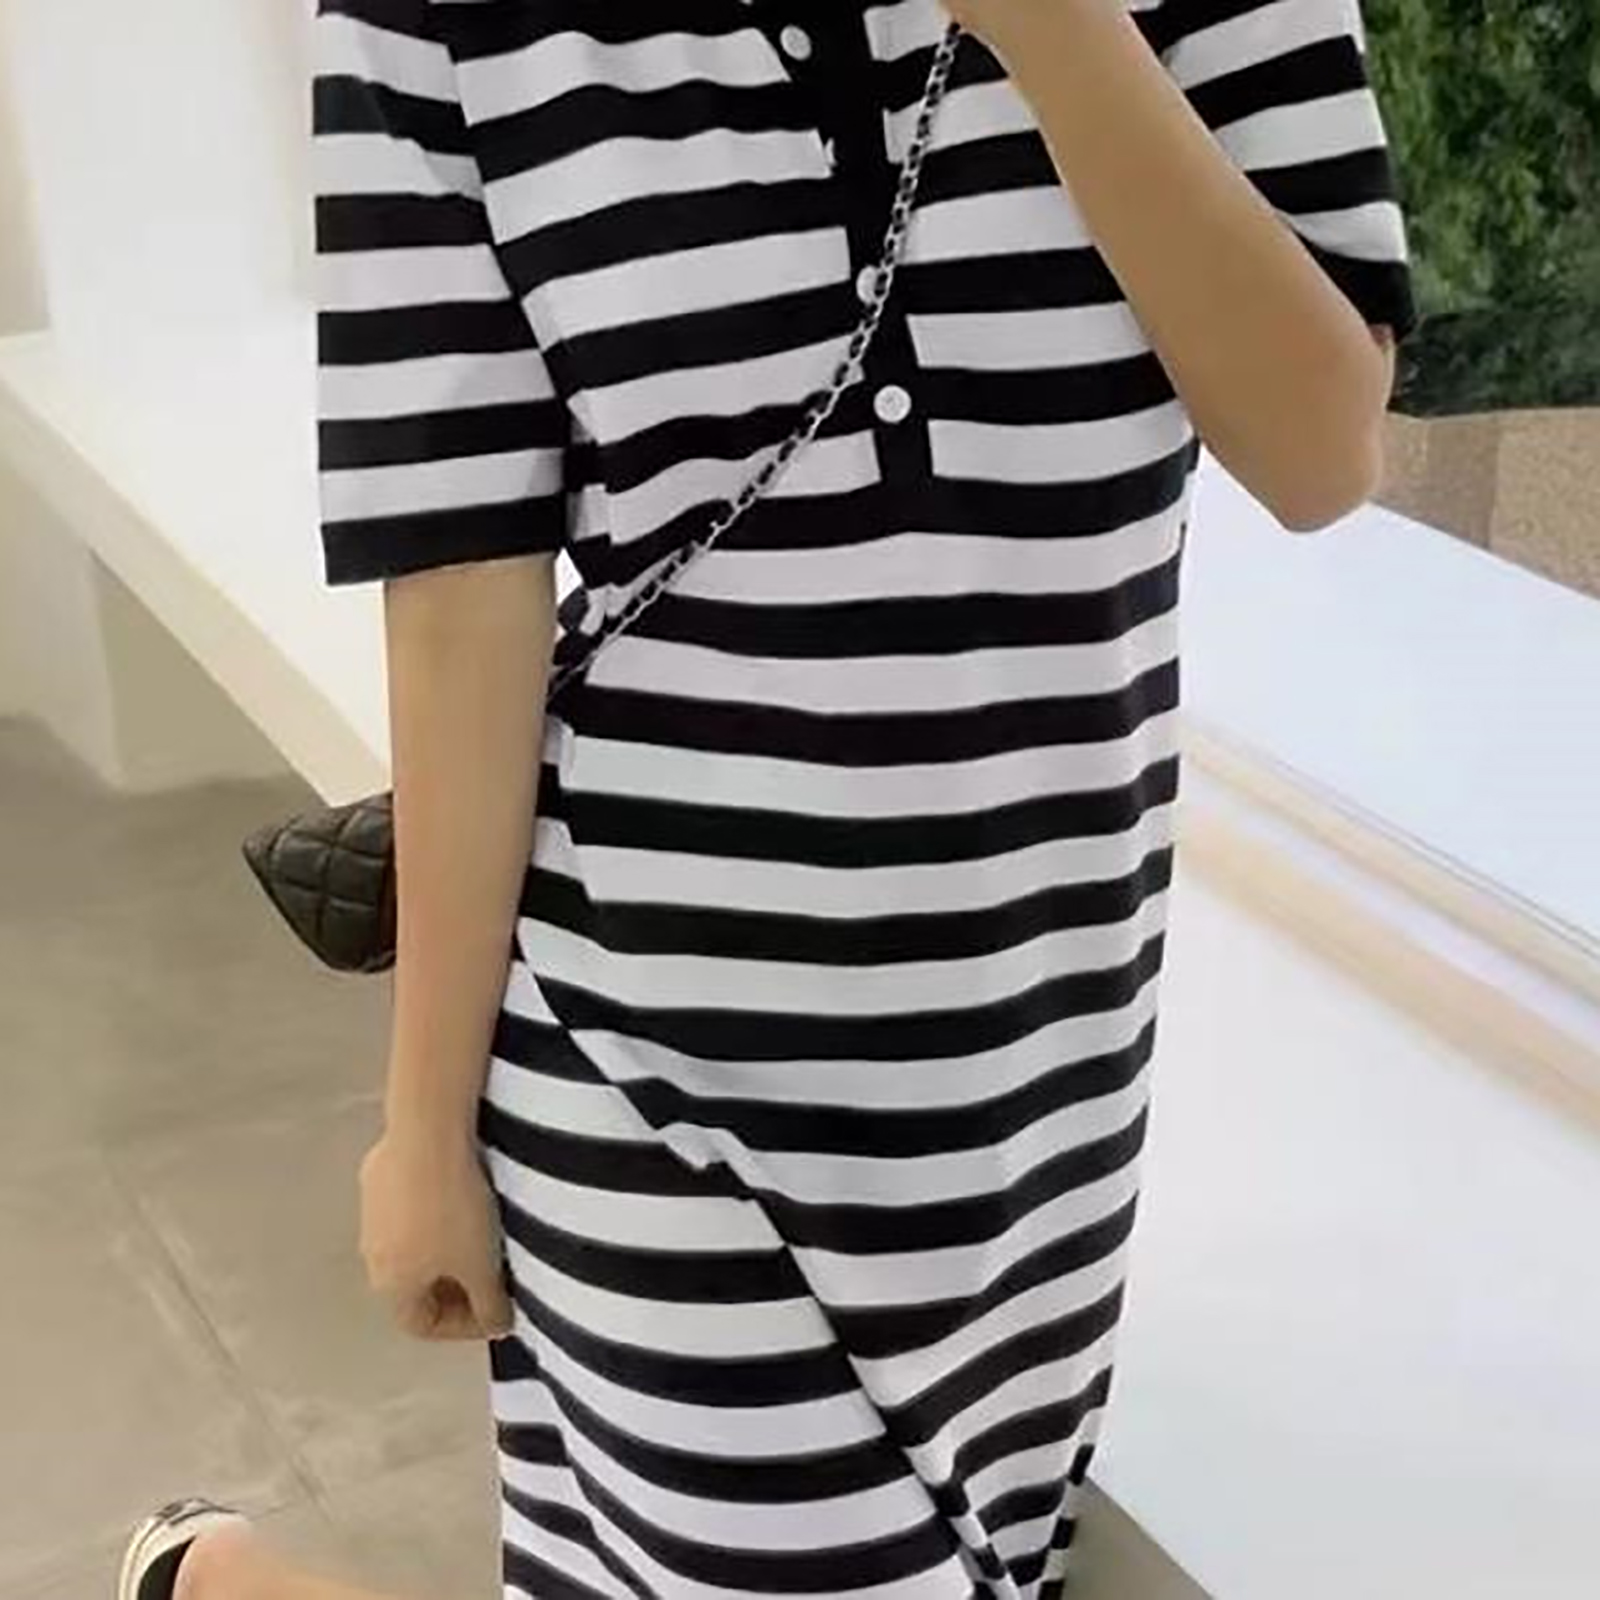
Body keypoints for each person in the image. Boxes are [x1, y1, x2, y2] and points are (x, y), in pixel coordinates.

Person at [124, 0, 1414, 1597]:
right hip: (642, 1026)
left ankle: (217, 1581)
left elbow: (1321, 447)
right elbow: (462, 583)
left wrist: (1057, 33)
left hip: (1039, 1070)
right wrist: (424, 1124)